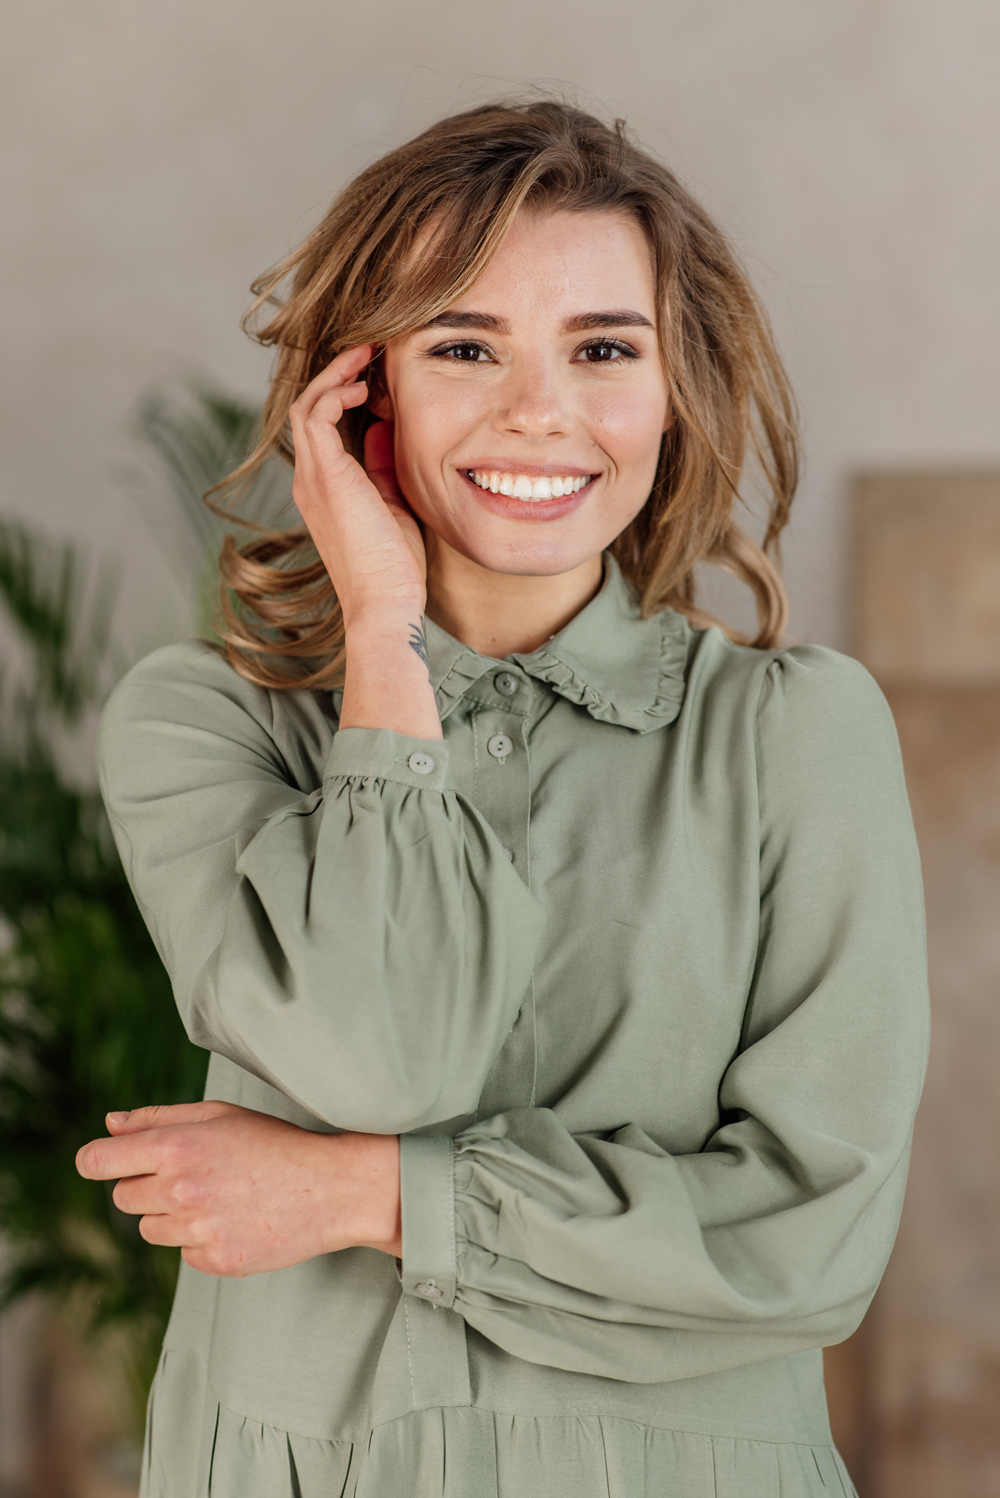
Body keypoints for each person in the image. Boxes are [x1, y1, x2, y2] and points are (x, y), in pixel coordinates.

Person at [76, 99, 929, 1498]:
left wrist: (359, 1193)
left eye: (603, 348)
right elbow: (385, 1052)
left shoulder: (800, 736)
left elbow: (808, 1239)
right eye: (464, 346)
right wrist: (381, 635)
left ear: (674, 390)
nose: (540, 410)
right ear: (361, 392)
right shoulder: (204, 721)